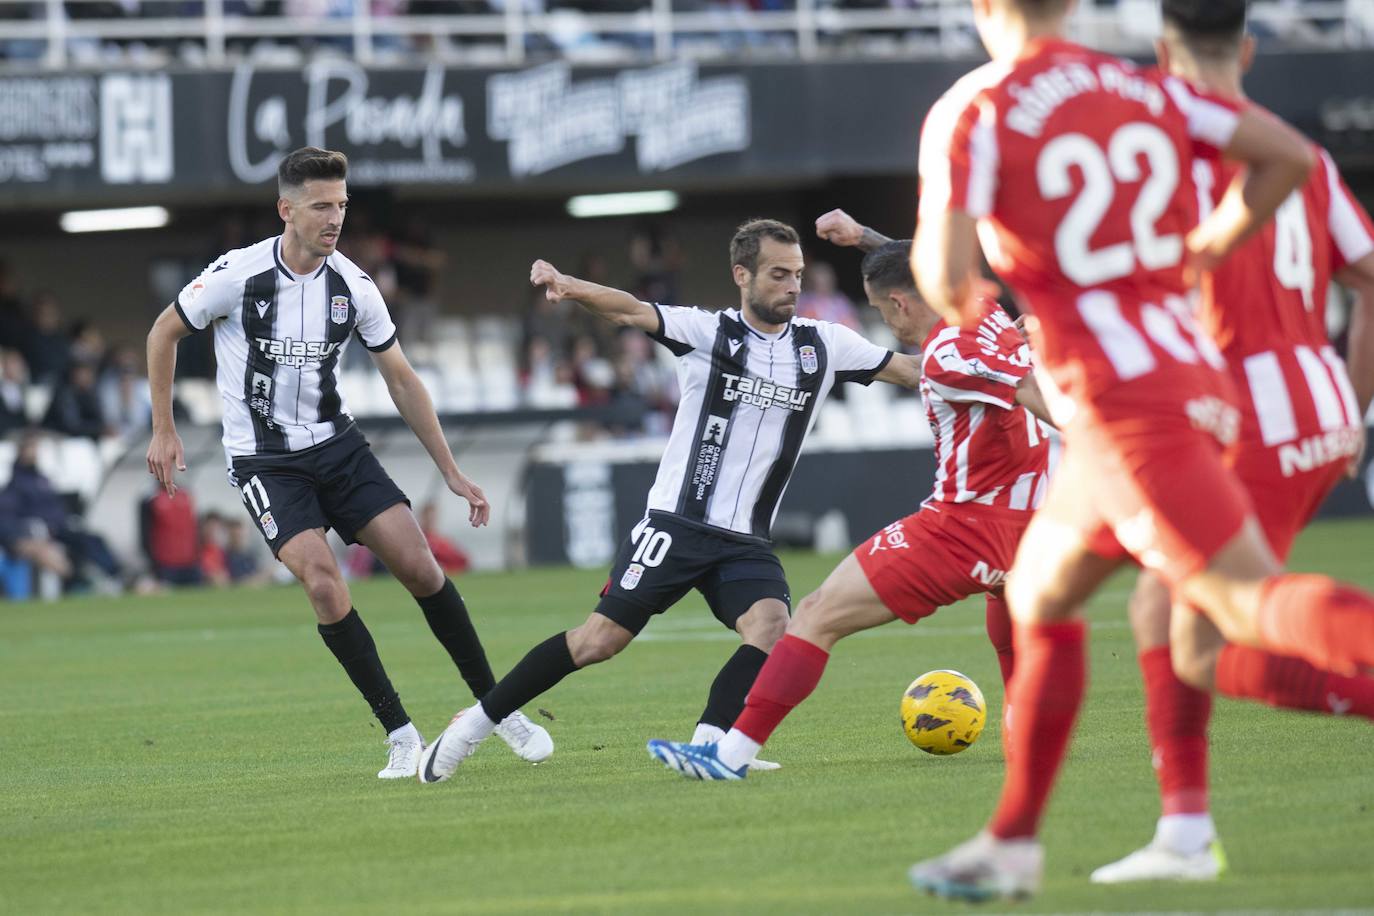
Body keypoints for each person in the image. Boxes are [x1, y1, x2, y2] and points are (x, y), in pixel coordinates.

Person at [904, 0, 1374, 902]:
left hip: (1126, 407)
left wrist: (969, 279)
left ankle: (1053, 841)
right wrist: (1204, 248)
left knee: (1242, 605)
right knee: (1041, 590)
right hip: (1191, 381)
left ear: (983, 10)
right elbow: (1283, 157)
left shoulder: (977, 105)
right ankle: (1012, 842)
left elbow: (945, 279)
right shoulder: (1143, 86)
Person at [417, 218, 924, 784]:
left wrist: (995, 358)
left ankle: (711, 746)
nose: (791, 287)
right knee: (597, 641)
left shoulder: (825, 344)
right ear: (742, 275)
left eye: (798, 275)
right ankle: (472, 728)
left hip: (746, 541)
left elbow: (913, 372)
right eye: (778, 275)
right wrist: (571, 285)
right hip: (677, 523)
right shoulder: (709, 333)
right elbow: (631, 309)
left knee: (773, 627)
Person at [144, 146, 551, 780]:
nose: (335, 218)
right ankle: (400, 733)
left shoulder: (354, 285)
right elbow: (162, 332)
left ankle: (495, 710)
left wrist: (449, 470)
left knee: (420, 566)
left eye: (342, 205)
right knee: (325, 583)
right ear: (286, 210)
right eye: (321, 206)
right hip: (265, 462)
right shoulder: (237, 275)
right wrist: (164, 428)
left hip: (338, 447)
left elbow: (402, 380)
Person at [1090, 0, 1374, 884]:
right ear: (1247, 48)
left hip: (1238, 417)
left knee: (1223, 620)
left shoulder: (1160, 147)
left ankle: (1185, 835)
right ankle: (1184, 833)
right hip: (1319, 409)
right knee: (1177, 624)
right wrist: (1353, 403)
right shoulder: (1308, 157)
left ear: (1161, 47)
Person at [646, 214, 1055, 780]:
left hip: (963, 527)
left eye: (883, 309)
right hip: (1032, 524)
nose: (886, 321)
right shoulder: (983, 313)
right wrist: (862, 237)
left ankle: (729, 756)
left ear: (902, 305)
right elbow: (920, 272)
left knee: (813, 617)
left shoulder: (947, 355)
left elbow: (1030, 391)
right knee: (1006, 616)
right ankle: (1027, 740)